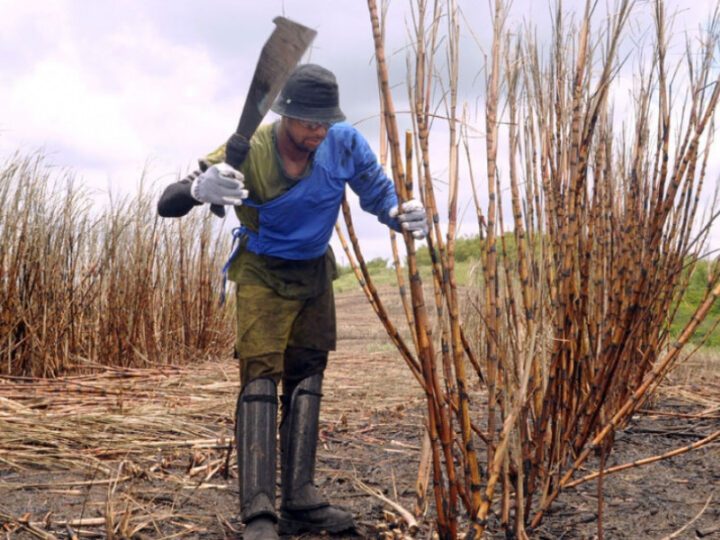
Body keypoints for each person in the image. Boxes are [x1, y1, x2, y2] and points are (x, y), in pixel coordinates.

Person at [157, 64, 427, 539]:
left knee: (307, 376)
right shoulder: (251, 149)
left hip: (313, 271)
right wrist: (200, 189)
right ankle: (259, 513)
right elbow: (168, 201)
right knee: (260, 379)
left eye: (325, 122)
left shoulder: (341, 143)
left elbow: (377, 193)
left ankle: (299, 499)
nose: (318, 132)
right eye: (308, 123)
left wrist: (399, 213)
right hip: (262, 272)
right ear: (285, 115)